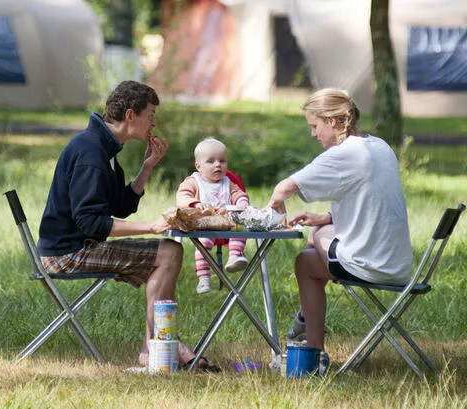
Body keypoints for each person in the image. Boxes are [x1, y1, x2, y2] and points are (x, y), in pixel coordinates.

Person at [37, 80, 217, 370]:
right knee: (168, 253)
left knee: (169, 253)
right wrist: (152, 226)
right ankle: (156, 345)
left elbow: (120, 205)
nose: (154, 122)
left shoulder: (103, 148)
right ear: (131, 115)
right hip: (66, 254)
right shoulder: (91, 152)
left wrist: (147, 167)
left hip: (77, 246)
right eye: (151, 115)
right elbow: (92, 223)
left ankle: (157, 344)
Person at [266, 88, 413, 360]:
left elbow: (286, 186)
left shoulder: (344, 154)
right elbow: (372, 204)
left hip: (372, 264)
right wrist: (328, 217)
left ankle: (314, 347)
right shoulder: (378, 146)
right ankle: (306, 329)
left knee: (313, 240)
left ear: (332, 121)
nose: (313, 134)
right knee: (307, 260)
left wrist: (276, 202)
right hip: (399, 264)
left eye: (314, 125)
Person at [176, 137, 250, 294]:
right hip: (205, 225)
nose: (218, 164)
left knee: (239, 228)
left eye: (222, 161)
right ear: (199, 166)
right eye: (211, 161)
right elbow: (182, 197)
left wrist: (242, 202)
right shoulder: (193, 181)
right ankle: (203, 279)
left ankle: (234, 257)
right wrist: (195, 203)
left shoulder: (227, 182)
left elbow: (238, 193)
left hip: (227, 224)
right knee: (203, 243)